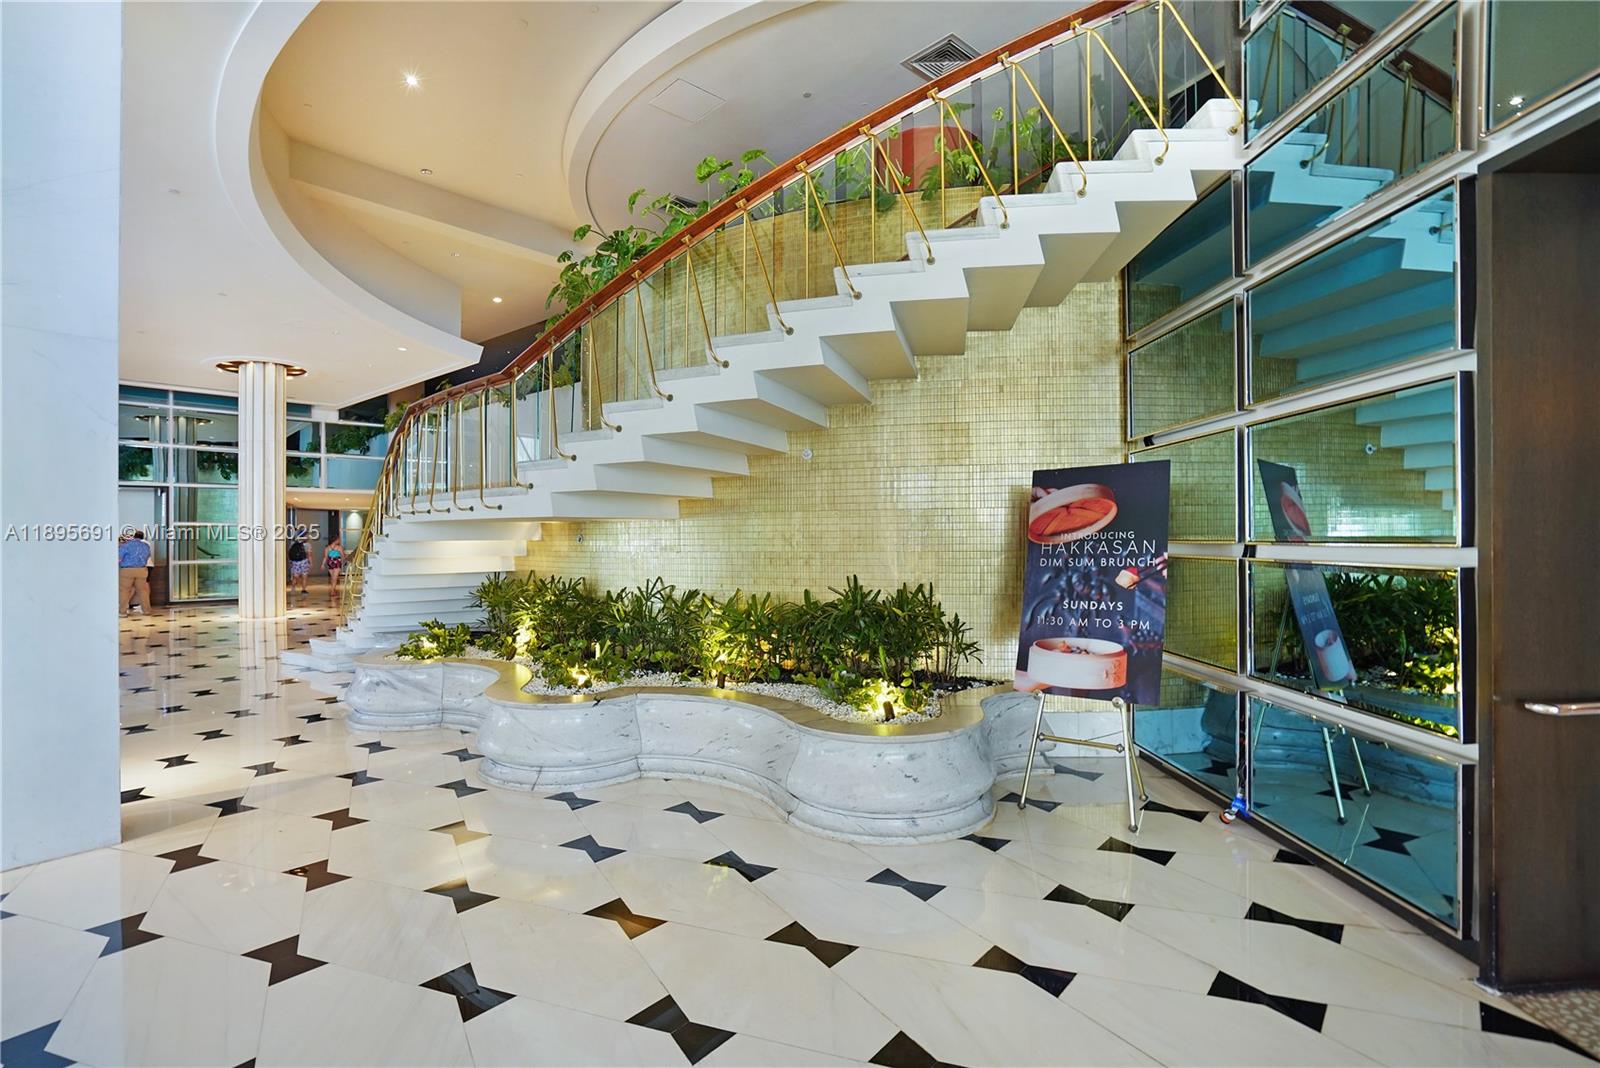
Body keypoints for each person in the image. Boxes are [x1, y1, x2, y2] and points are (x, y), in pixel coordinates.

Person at [118, 530, 153, 616]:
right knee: (143, 591)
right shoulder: (146, 546)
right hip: (142, 570)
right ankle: (147, 611)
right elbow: (148, 556)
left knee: (124, 591)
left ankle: (122, 612)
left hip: (127, 571)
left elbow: (118, 557)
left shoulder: (126, 546)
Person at [323, 536, 344, 605]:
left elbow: (325, 557)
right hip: (337, 562)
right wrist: (343, 562)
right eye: (338, 540)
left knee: (333, 578)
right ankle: (332, 591)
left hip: (330, 562)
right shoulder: (339, 547)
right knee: (335, 578)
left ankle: (333, 590)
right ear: (335, 540)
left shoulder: (327, 548)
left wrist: (323, 564)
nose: (339, 541)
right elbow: (342, 556)